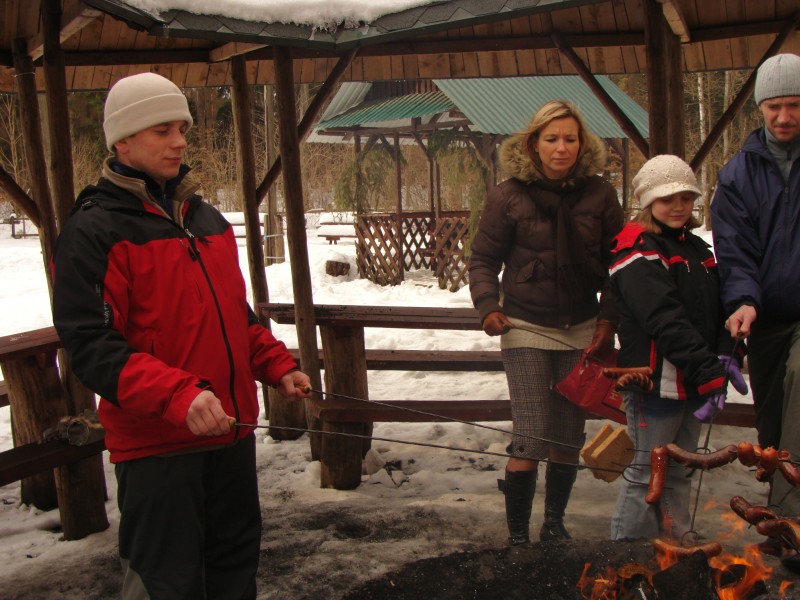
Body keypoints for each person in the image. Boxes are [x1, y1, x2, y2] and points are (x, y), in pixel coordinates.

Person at [51, 72, 312, 599]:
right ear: (122, 141)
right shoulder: (93, 231)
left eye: (182, 130)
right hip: (158, 448)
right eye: (162, 130)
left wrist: (275, 363)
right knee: (166, 585)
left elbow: (233, 315)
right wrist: (177, 395)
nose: (179, 142)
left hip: (230, 433)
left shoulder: (206, 218)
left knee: (234, 576)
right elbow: (92, 346)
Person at [468, 100, 624, 545]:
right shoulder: (508, 195)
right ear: (534, 143)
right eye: (552, 138)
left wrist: (608, 320)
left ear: (582, 144)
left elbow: (621, 264)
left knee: (568, 436)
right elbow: (483, 259)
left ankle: (554, 524)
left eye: (570, 139)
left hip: (582, 329)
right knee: (533, 433)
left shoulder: (600, 195)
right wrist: (488, 306)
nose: (561, 148)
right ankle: (518, 535)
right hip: (525, 327)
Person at [608, 155, 746, 541]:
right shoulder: (635, 249)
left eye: (686, 197)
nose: (678, 206)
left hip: (696, 382)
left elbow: (722, 309)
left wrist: (728, 354)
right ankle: (626, 554)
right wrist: (709, 372)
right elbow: (664, 318)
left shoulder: (699, 251)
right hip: (655, 384)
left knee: (680, 469)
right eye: (667, 199)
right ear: (647, 200)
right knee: (645, 473)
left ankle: (676, 541)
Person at [711, 53, 800, 528]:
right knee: (772, 424)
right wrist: (744, 300)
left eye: (795, 105)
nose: (784, 116)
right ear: (760, 108)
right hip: (765, 319)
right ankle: (780, 515)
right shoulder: (737, 174)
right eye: (774, 106)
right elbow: (735, 251)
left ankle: (791, 525)